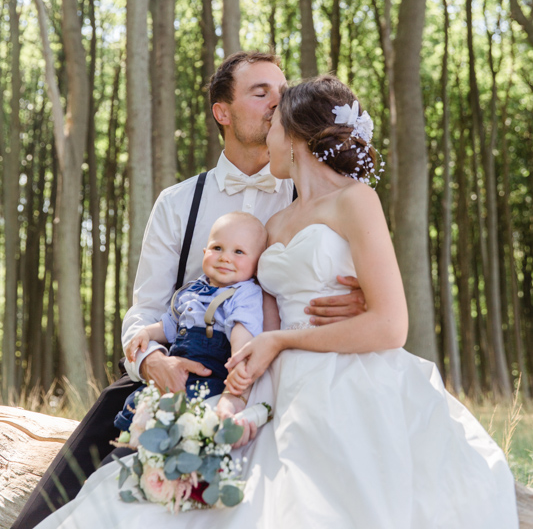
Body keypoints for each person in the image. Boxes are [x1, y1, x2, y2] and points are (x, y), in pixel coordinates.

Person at [33, 74, 518, 529]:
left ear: (296, 136)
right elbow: (252, 303)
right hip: (243, 368)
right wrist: (231, 367)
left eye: (276, 123)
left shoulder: (356, 200)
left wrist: (313, 325)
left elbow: (392, 326)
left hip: (342, 374)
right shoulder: (272, 222)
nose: (268, 133)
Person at [15, 53, 364, 529]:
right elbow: (145, 310)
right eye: (260, 93)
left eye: (281, 94)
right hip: (182, 362)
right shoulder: (178, 203)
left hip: (279, 372)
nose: (275, 104)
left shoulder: (311, 191)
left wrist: (356, 300)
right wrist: (153, 362)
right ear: (223, 112)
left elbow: (350, 273)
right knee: (76, 485)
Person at [115, 211, 267, 432]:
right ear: (205, 252)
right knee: (137, 406)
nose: (225, 257)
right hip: (176, 371)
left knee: (185, 418)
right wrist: (147, 333)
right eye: (217, 248)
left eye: (239, 252)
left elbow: (242, 332)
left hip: (210, 377)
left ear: (256, 264)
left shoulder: (244, 293)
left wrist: (239, 363)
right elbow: (169, 325)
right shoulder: (191, 290)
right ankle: (130, 443)